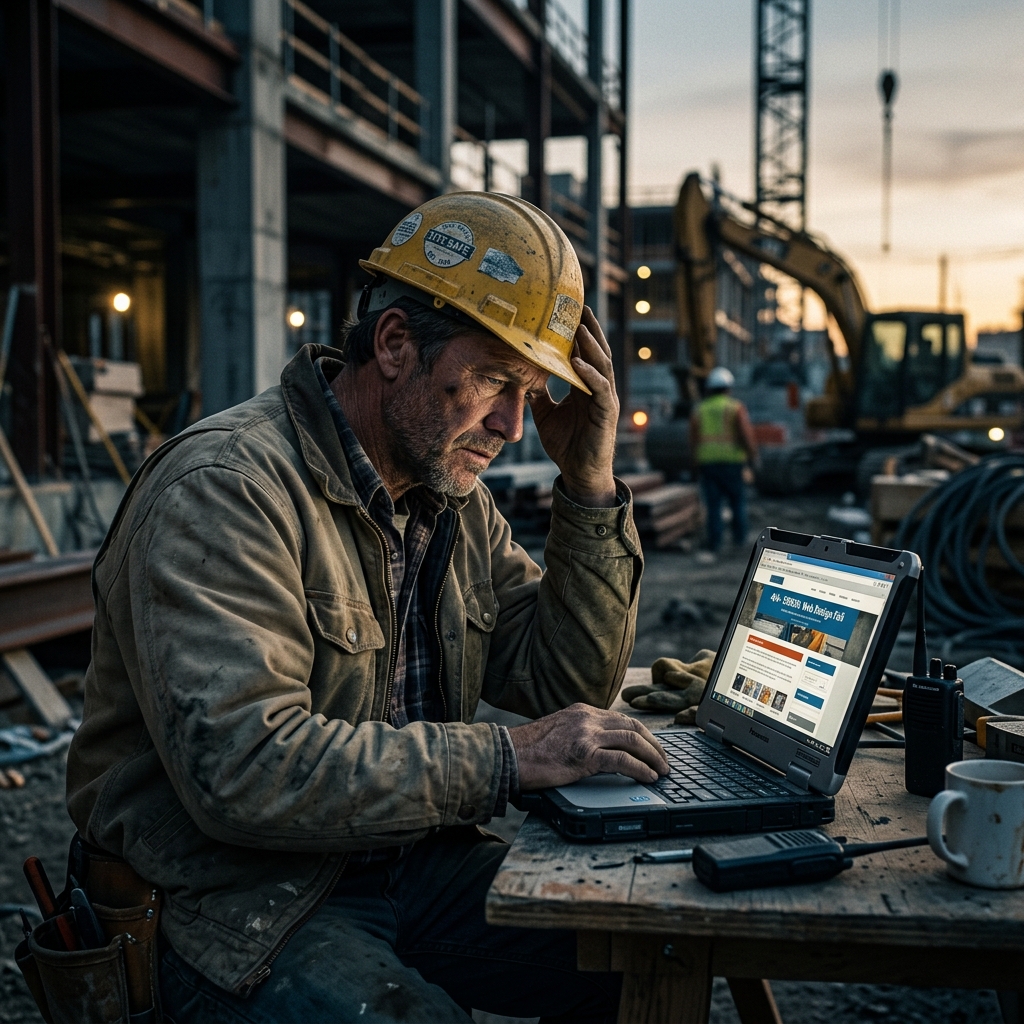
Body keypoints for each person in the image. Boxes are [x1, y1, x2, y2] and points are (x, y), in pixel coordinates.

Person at [66, 192, 668, 1023]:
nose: (514, 424)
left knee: (649, 950)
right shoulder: (229, 489)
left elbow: (567, 676)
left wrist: (590, 484)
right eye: (495, 379)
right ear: (393, 344)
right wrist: (505, 759)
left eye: (530, 391)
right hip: (231, 900)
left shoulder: (449, 495)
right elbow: (242, 771)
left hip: (406, 862)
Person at [690, 366, 758, 557]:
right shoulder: (735, 408)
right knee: (737, 502)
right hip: (732, 463)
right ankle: (739, 540)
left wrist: (694, 466)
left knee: (713, 506)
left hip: (708, 465)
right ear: (728, 388)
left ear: (710, 388)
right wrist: (753, 456)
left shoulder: (700, 409)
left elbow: (693, 440)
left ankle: (716, 542)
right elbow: (745, 434)